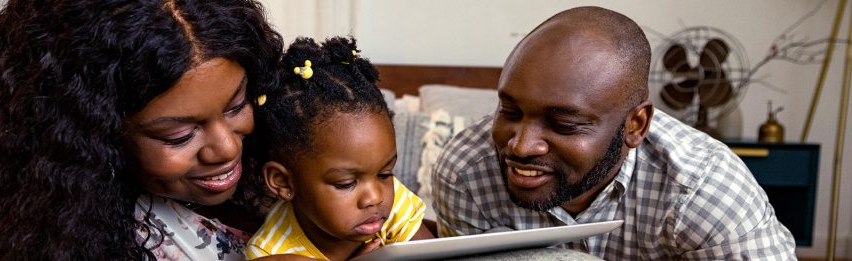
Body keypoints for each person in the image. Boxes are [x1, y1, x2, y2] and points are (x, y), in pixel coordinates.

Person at [431, 6, 797, 260]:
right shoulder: (466, 172)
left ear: (635, 126)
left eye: (564, 124)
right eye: (510, 111)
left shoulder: (703, 190)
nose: (521, 146)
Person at [0, 0, 282, 259]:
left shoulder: (277, 172)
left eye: (237, 105)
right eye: (178, 136)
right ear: (92, 136)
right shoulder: (89, 241)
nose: (226, 148)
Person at [244, 37, 434, 260]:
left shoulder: (393, 204)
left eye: (385, 174)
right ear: (283, 181)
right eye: (346, 183)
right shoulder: (269, 253)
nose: (375, 197)